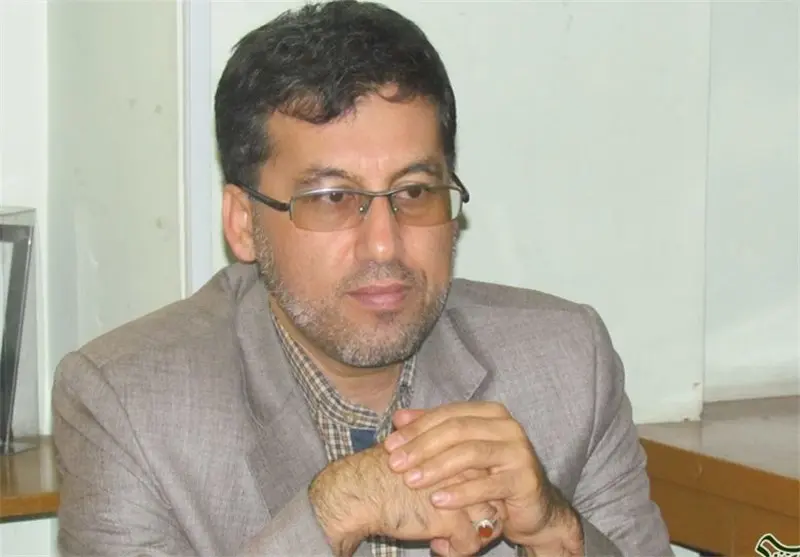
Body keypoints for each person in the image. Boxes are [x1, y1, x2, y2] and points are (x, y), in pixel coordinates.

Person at [52, 1, 673, 556]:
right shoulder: (129, 404)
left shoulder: (567, 365)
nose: (384, 243)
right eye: (331, 198)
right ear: (243, 223)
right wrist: (333, 513)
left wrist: (558, 533)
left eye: (415, 191)